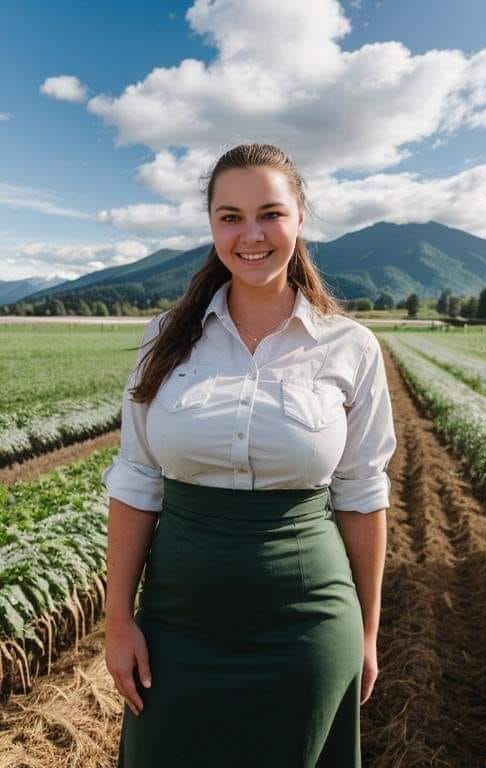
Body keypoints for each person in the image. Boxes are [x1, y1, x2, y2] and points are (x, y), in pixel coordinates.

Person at [101, 142, 397, 768]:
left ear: (299, 219)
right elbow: (135, 480)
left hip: (307, 628)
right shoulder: (164, 338)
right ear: (211, 225)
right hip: (175, 629)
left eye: (270, 213)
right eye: (230, 216)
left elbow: (363, 493)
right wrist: (118, 620)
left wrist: (366, 633)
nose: (251, 234)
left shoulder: (351, 347)